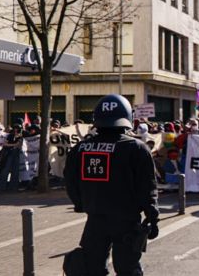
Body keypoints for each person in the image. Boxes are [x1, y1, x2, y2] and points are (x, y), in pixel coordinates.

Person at [64, 95, 159, 275]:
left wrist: (81, 204)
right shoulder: (136, 148)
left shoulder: (80, 148)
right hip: (127, 221)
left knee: (92, 268)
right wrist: (152, 217)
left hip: (95, 220)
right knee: (128, 268)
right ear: (127, 118)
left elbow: (70, 181)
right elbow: (148, 188)